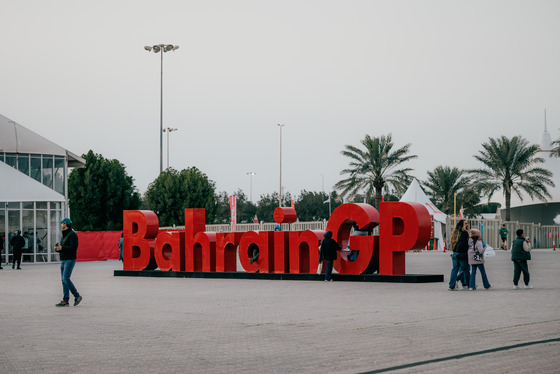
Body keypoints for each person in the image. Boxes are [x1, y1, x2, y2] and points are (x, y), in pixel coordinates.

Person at [54, 218, 83, 307]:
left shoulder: (72, 235)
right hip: (64, 259)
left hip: (70, 259)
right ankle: (65, 301)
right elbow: (65, 248)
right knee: (64, 280)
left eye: (62, 223)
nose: (61, 224)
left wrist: (62, 248)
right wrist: (58, 249)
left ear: (66, 224)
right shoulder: (64, 235)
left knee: (66, 278)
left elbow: (73, 248)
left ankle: (77, 296)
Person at [448, 220, 470, 291]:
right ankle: (468, 285)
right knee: (466, 270)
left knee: (454, 270)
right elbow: (467, 243)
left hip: (455, 254)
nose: (467, 225)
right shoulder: (465, 233)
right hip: (462, 254)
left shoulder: (454, 232)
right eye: (465, 224)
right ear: (462, 225)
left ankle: (451, 286)